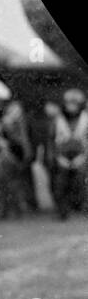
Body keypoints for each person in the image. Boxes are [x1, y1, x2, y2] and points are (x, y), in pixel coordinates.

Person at [48, 88, 88, 218]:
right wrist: (57, 158)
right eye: (69, 103)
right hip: (62, 157)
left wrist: (83, 158)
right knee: (60, 184)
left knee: (81, 182)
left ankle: (82, 207)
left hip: (81, 157)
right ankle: (62, 211)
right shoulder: (57, 120)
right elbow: (51, 141)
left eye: (75, 103)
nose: (72, 106)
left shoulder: (85, 119)